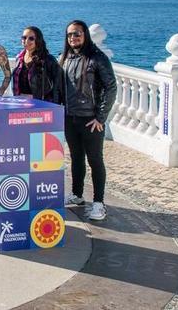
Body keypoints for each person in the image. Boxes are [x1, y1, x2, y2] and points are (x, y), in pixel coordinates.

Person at [59, 20, 117, 221]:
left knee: (95, 160)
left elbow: (111, 87)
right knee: (76, 158)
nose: (73, 38)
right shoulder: (65, 58)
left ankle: (99, 203)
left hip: (91, 119)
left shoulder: (97, 58)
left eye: (77, 34)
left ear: (85, 35)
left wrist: (100, 117)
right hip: (70, 117)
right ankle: (77, 195)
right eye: (69, 35)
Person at [11, 26, 62, 103]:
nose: (26, 41)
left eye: (31, 38)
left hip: (40, 104)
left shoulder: (48, 60)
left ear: (38, 40)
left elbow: (57, 86)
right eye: (24, 37)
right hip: (20, 103)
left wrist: (55, 106)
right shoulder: (19, 58)